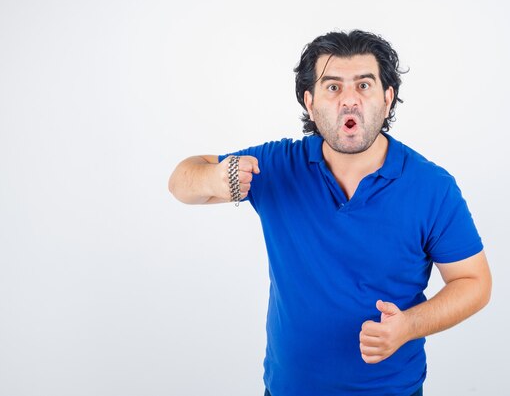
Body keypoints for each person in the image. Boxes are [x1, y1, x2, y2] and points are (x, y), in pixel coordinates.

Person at [168, 30, 492, 396]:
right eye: (333, 87)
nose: (349, 100)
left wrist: (409, 326)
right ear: (310, 102)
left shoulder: (433, 187)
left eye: (364, 85)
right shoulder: (277, 165)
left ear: (388, 99)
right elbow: (181, 181)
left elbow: (474, 282)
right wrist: (215, 177)